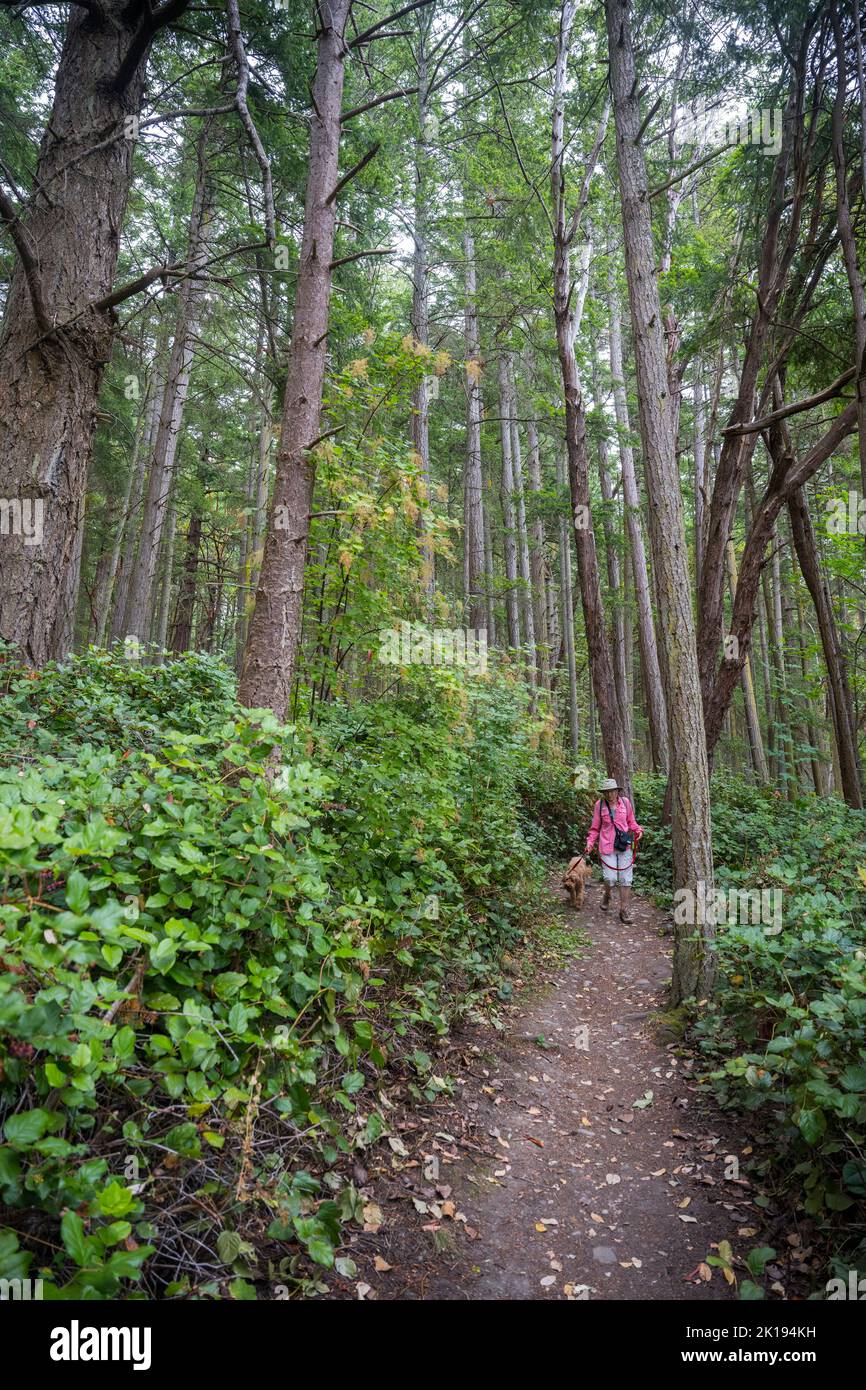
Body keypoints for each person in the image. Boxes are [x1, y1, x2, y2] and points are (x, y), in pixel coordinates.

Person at [585, 777, 643, 923]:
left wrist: (638, 830)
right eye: (607, 792)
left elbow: (631, 821)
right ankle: (607, 894)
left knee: (625, 878)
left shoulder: (625, 803)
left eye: (612, 791)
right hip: (606, 846)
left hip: (624, 845)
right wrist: (590, 843)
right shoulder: (599, 805)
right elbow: (594, 828)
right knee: (610, 878)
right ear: (603, 793)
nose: (610, 794)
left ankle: (624, 910)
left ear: (617, 791)